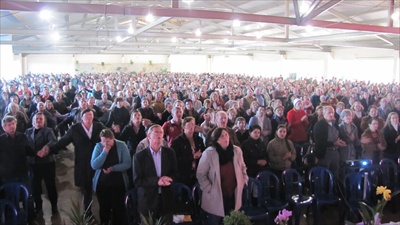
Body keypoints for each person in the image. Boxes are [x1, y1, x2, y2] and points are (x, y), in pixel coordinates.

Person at [51, 109, 105, 215]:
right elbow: (64, 141)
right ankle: (87, 211)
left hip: (98, 161)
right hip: (83, 162)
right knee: (86, 188)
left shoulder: (99, 126)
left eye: (91, 115)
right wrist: (50, 150)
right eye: (87, 115)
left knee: (101, 187)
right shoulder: (75, 128)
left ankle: (104, 211)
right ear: (81, 117)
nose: (89, 118)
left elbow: (108, 136)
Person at [196, 127, 248, 225]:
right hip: (215, 195)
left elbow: (243, 167)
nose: (226, 138)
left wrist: (244, 180)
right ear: (216, 139)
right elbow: (200, 174)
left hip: (233, 193)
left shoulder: (236, 151)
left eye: (226, 135)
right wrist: (209, 188)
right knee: (215, 221)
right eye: (222, 136)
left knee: (232, 220)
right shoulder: (209, 153)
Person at [132, 124, 178, 223]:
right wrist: (157, 181)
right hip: (147, 200)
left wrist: (169, 179)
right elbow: (137, 181)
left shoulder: (170, 153)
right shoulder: (139, 157)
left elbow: (175, 173)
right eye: (156, 132)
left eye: (161, 132)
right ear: (148, 136)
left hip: (166, 199)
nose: (159, 135)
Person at [91, 129, 131, 225]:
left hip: (118, 184)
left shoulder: (122, 145)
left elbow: (127, 163)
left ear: (113, 138)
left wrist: (113, 168)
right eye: (103, 141)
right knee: (104, 209)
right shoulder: (99, 146)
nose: (105, 143)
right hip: (102, 185)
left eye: (108, 141)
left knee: (118, 209)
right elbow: (94, 165)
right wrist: (104, 152)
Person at [25, 112, 58, 214]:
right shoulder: (27, 131)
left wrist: (45, 148)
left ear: (44, 122)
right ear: (33, 121)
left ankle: (54, 206)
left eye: (40, 119)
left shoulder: (48, 131)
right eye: (36, 119)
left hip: (47, 162)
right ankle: (38, 207)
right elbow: (25, 145)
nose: (38, 121)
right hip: (33, 163)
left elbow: (53, 141)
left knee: (50, 185)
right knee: (35, 187)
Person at [171, 117, 205, 187]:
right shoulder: (177, 142)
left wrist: (201, 155)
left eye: (193, 124)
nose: (191, 127)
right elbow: (175, 160)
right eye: (188, 125)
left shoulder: (199, 140)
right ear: (183, 127)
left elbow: (204, 153)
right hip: (184, 174)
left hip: (198, 172)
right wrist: (192, 157)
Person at [313, 106, 347, 177]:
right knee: (324, 175)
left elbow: (340, 135)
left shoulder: (335, 124)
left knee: (335, 175)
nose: (331, 114)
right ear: (324, 113)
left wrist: (341, 141)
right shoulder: (319, 125)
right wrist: (333, 143)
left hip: (335, 152)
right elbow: (319, 142)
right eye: (329, 113)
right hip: (325, 153)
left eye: (332, 113)